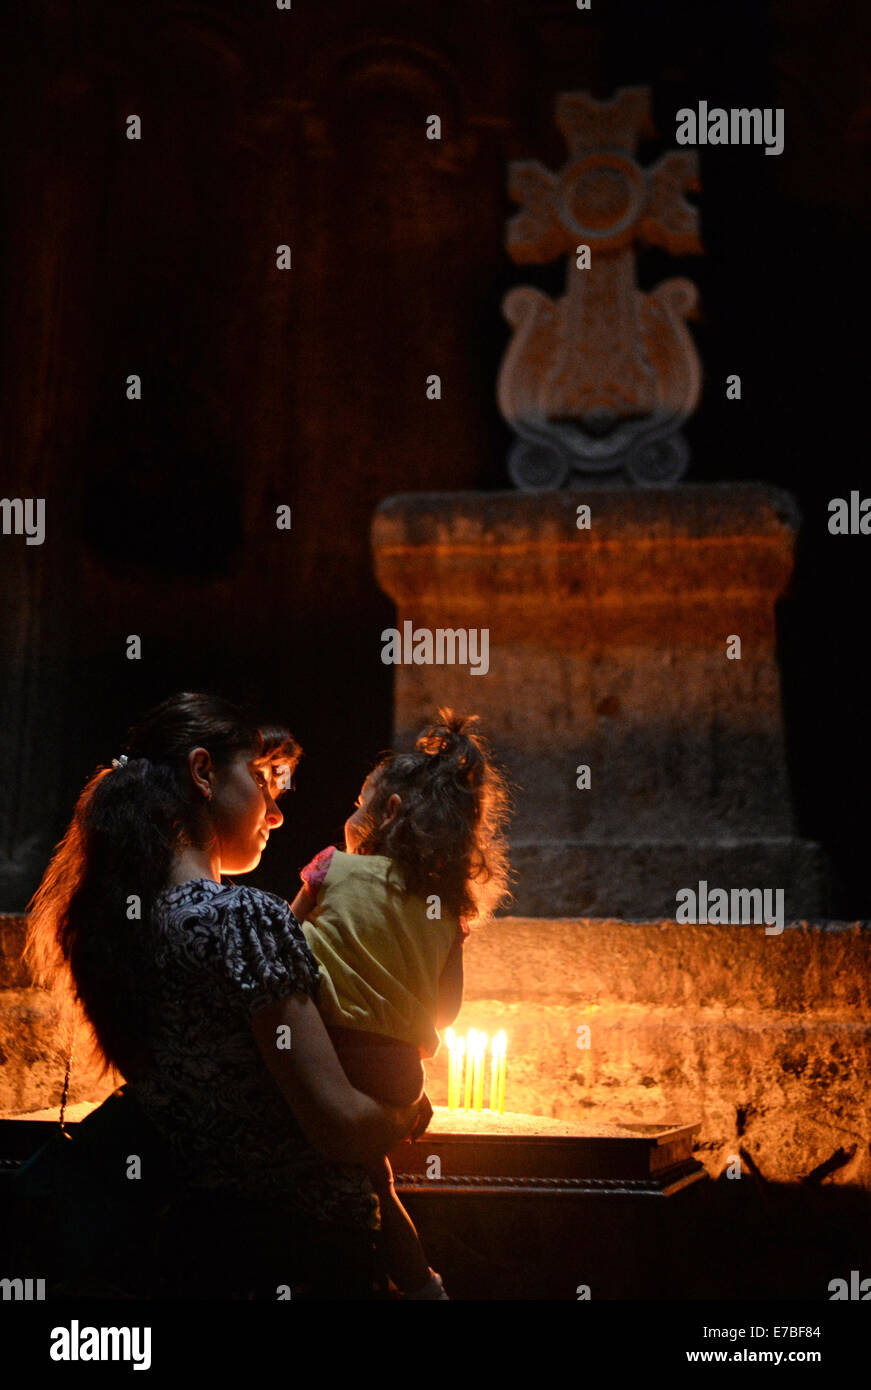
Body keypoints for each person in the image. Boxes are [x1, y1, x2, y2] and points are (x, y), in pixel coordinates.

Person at [22, 691, 428, 1299]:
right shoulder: (242, 919)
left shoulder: (122, 926)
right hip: (306, 1252)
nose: (276, 813)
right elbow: (340, 1125)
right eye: (261, 782)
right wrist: (408, 1110)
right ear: (204, 772)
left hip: (203, 1252)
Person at [290, 708, 511, 1300]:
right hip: (394, 1072)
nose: (348, 815)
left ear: (386, 814)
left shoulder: (331, 868)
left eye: (359, 802)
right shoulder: (447, 910)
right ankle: (422, 1287)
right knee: (379, 1185)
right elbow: (448, 1009)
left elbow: (280, 950)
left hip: (320, 1052)